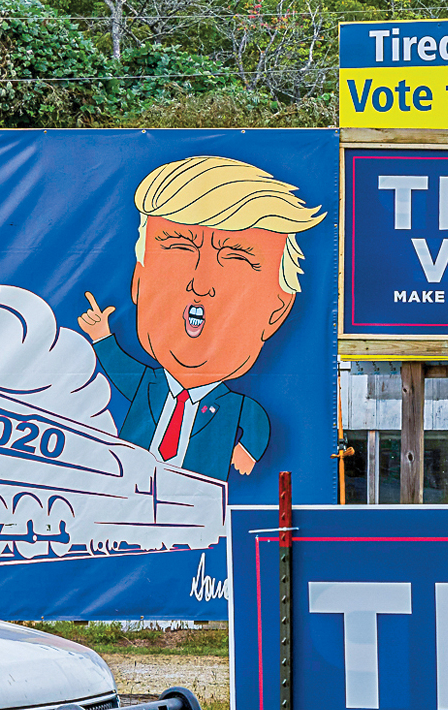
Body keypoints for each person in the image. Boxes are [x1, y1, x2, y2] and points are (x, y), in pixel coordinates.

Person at [78, 155, 325, 481]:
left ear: (277, 309)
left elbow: (256, 420)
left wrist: (248, 450)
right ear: (138, 281)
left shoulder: (232, 407)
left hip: (198, 507)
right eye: (179, 248)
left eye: (236, 257)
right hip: (129, 494)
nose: (201, 284)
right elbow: (121, 370)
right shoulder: (149, 385)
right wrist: (102, 337)